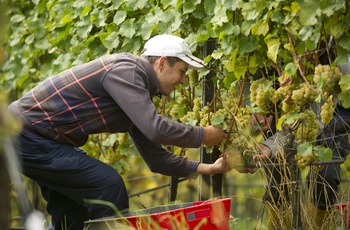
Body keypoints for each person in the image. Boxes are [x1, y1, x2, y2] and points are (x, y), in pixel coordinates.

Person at [8, 34, 231, 230]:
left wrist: (209, 168)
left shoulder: (135, 90)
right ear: (162, 63)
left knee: (71, 213)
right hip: (27, 134)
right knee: (107, 186)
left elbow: (156, 159)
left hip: (40, 139)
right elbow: (155, 129)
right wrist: (202, 134)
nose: (183, 81)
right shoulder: (127, 70)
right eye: (182, 72)